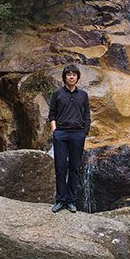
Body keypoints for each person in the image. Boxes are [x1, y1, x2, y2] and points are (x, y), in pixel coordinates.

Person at [47, 64, 90, 213]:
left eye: (74, 74)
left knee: (74, 168)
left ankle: (71, 201)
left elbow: (87, 115)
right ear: (64, 77)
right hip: (61, 134)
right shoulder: (57, 93)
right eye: (68, 74)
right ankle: (60, 200)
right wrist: (55, 131)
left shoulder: (83, 95)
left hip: (78, 134)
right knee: (60, 167)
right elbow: (51, 113)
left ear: (77, 77)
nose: (71, 76)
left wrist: (84, 132)